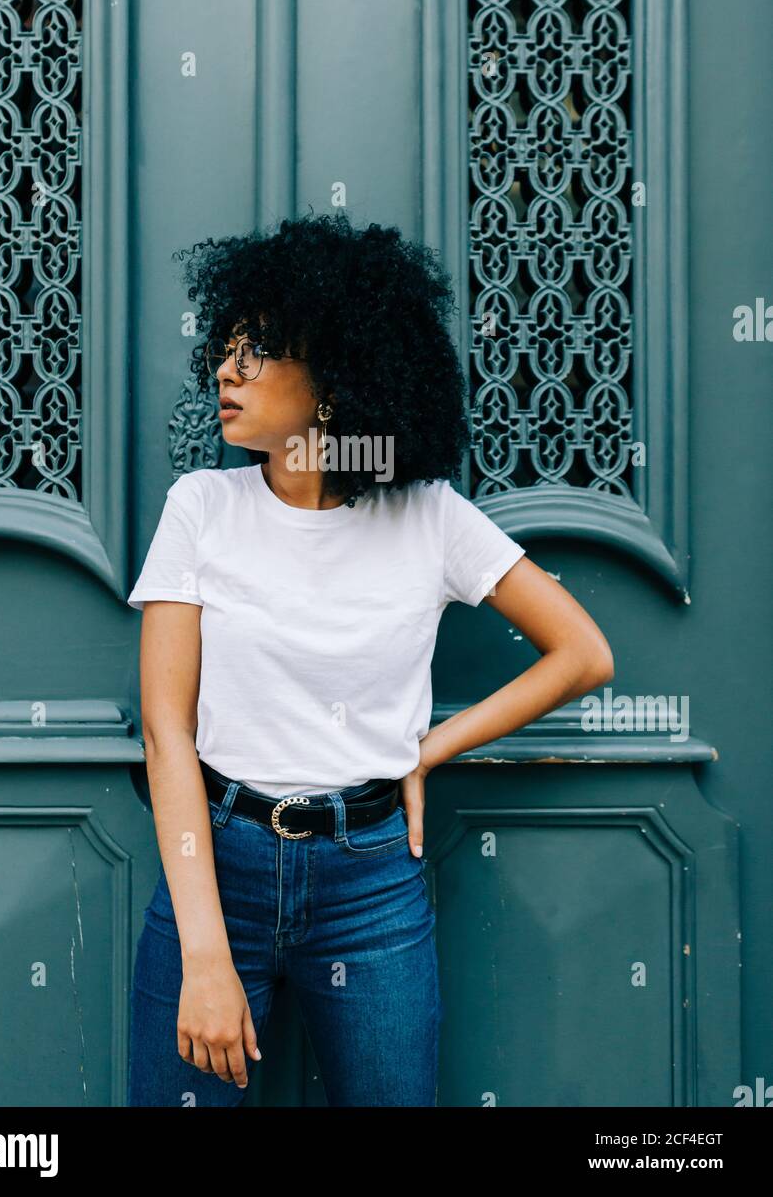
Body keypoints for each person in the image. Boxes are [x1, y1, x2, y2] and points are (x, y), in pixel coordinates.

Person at [126, 209, 614, 1107]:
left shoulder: (428, 516)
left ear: (335, 381)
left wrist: (427, 749)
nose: (226, 371)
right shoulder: (201, 507)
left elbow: (582, 654)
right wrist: (205, 956)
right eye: (226, 348)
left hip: (371, 884)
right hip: (217, 869)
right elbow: (166, 730)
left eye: (259, 350)